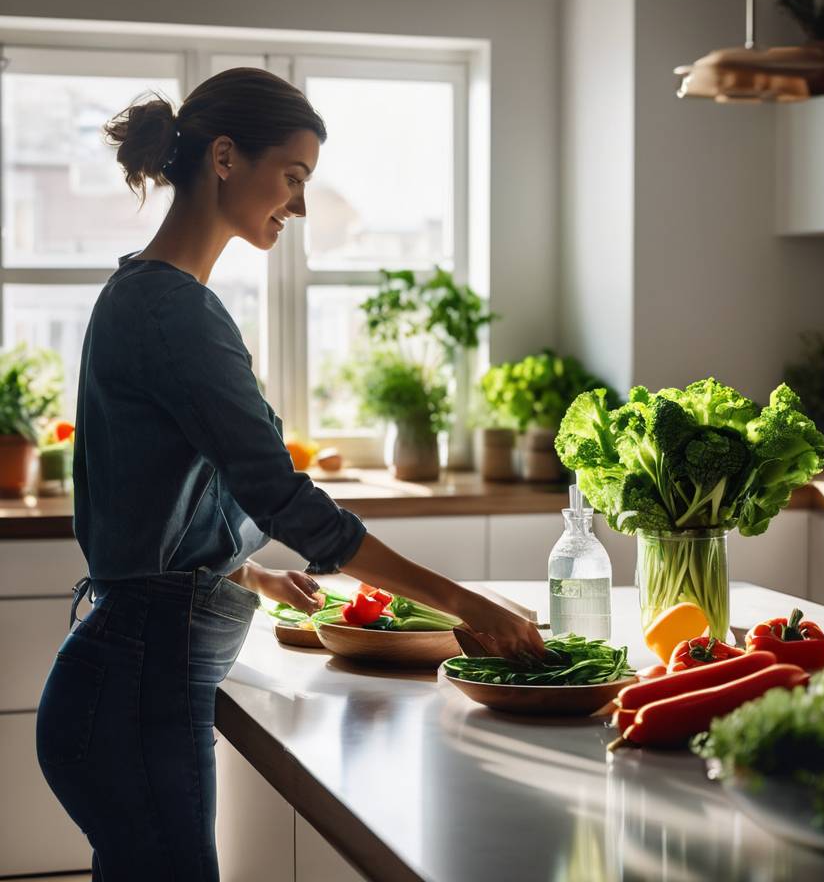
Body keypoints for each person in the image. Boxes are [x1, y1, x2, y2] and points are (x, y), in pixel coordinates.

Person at [35, 67, 545, 882]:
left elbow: (147, 502)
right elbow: (283, 499)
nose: (300, 205)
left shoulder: (147, 295)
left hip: (123, 685)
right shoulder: (172, 309)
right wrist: (465, 604)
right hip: (133, 691)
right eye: (293, 176)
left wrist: (246, 574)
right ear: (225, 157)